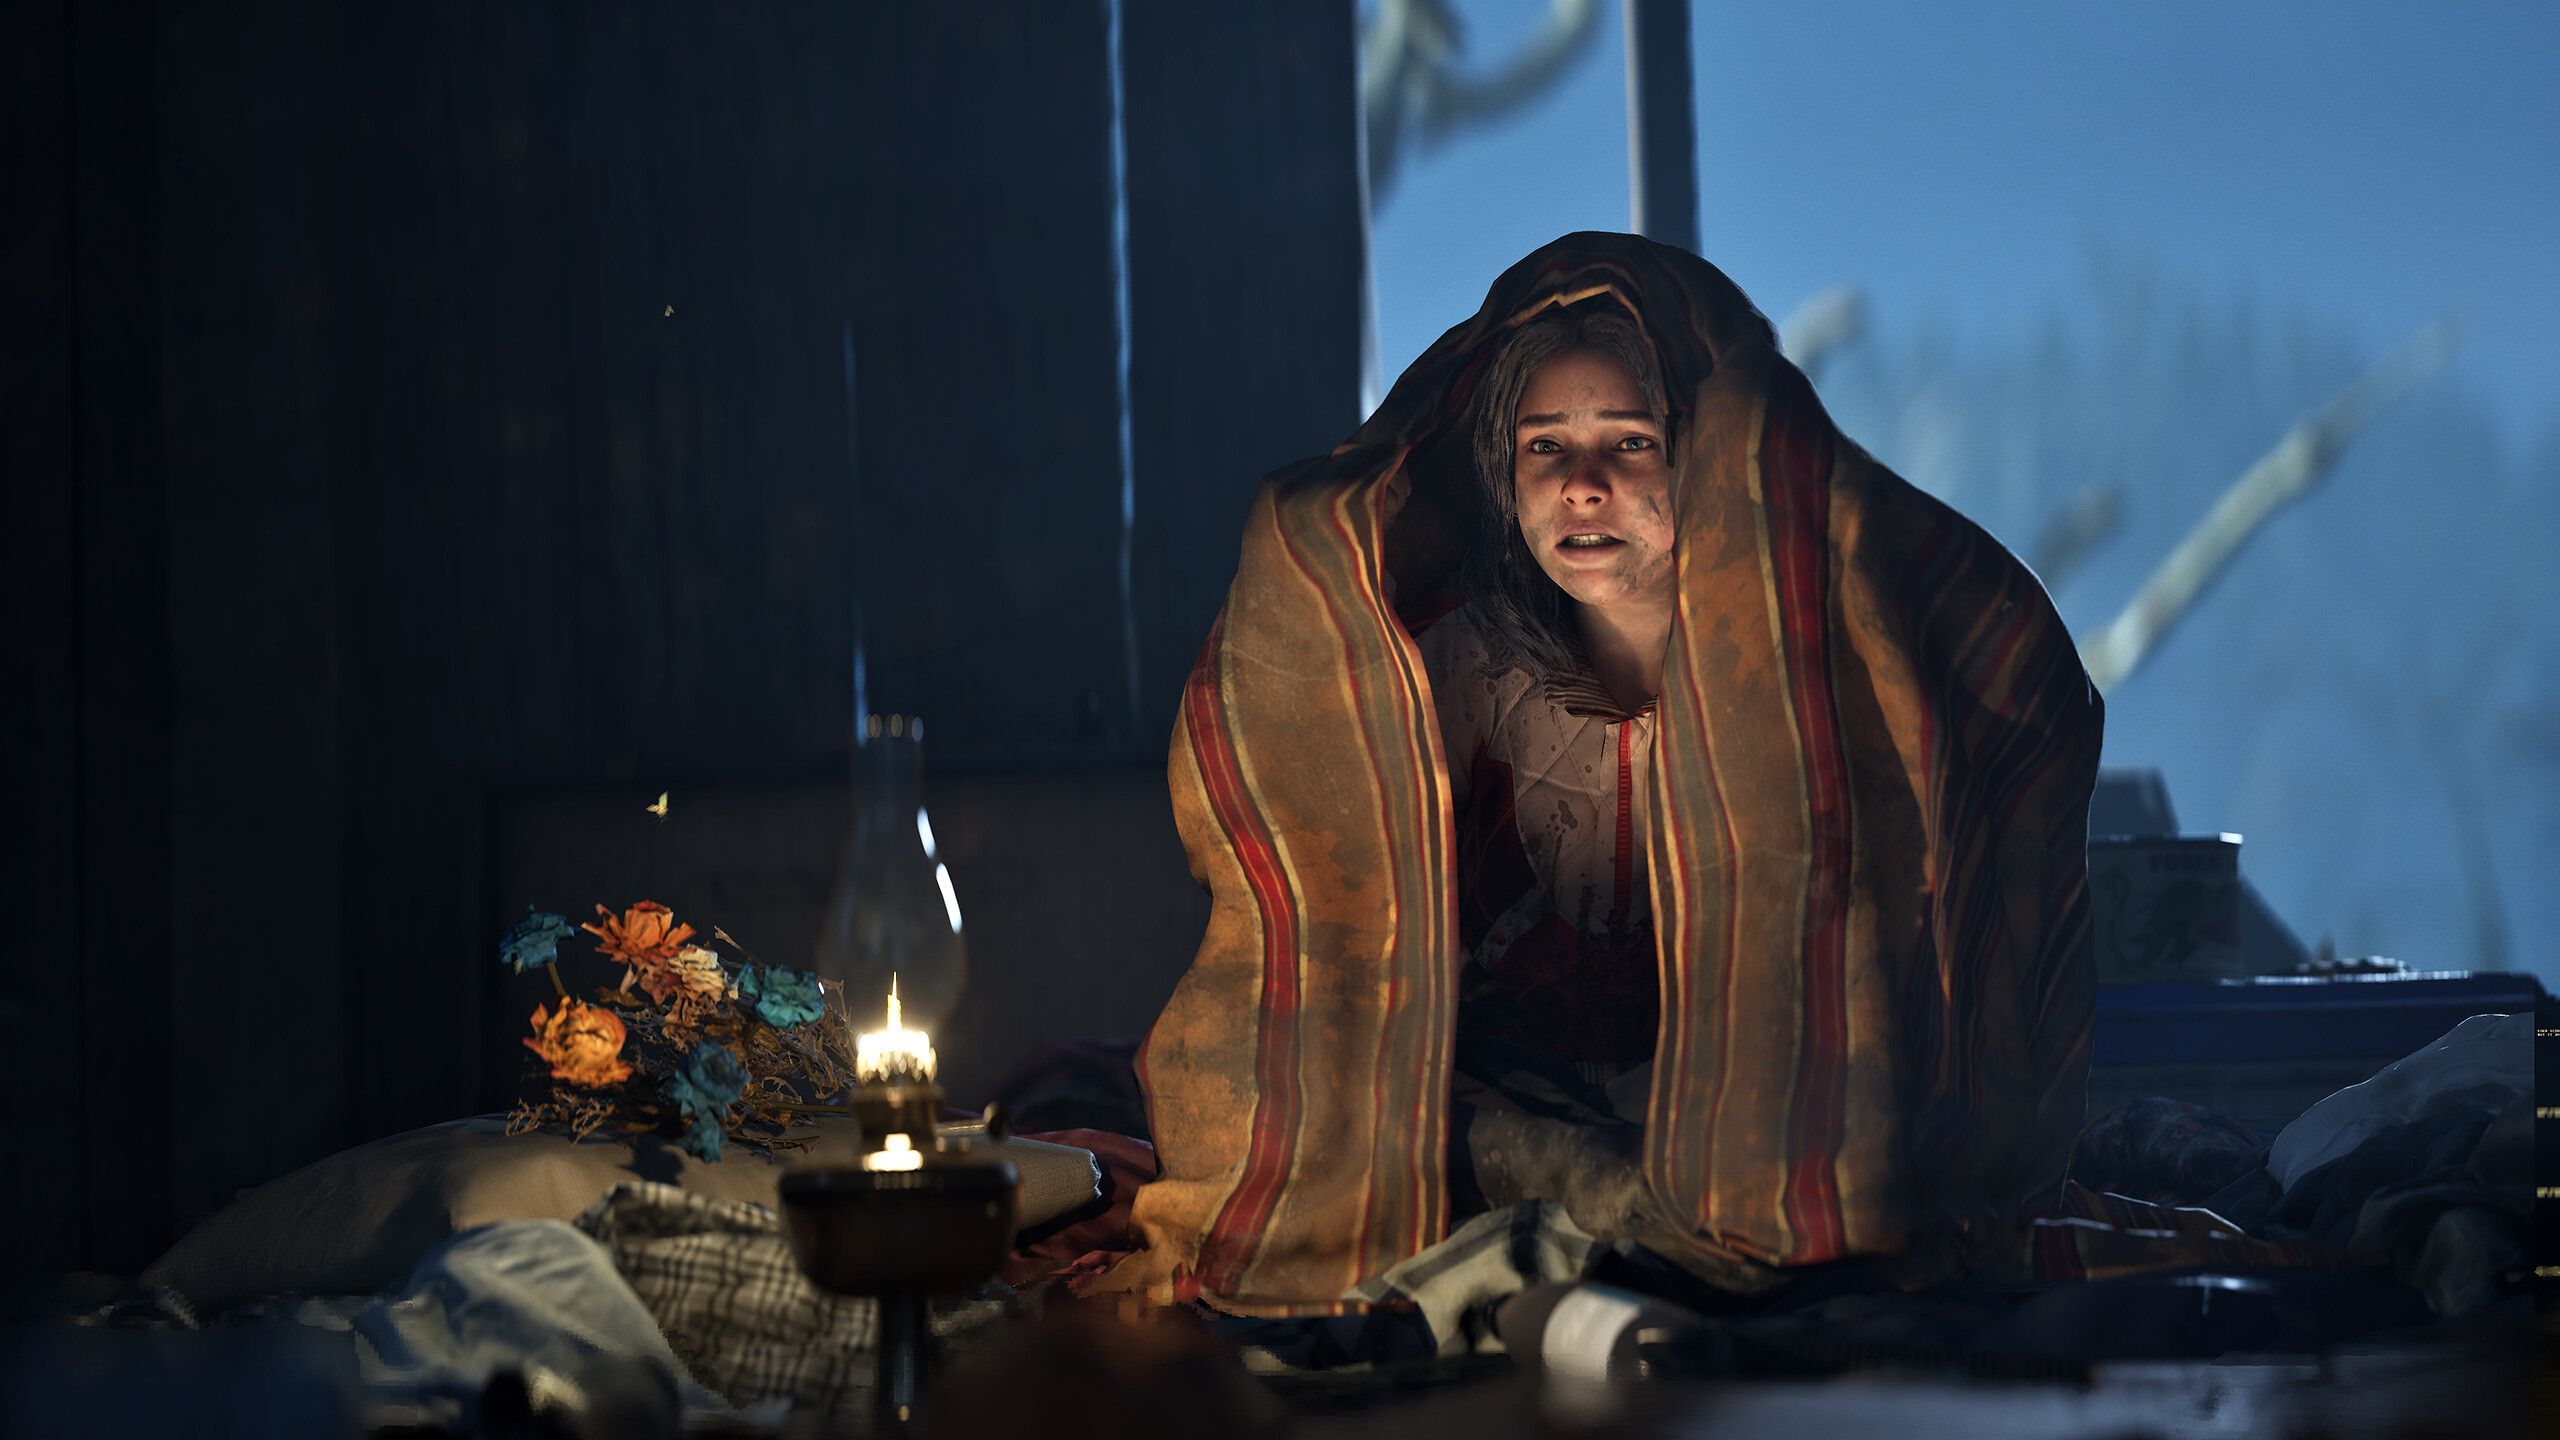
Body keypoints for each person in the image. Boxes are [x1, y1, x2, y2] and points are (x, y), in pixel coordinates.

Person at [1095, 232, 2103, 1312]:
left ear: (1709, 457)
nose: (1581, 488)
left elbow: (2002, 694)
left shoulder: (1823, 681)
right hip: (1506, 1122)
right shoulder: (1455, 673)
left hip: (1760, 1129)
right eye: (1543, 449)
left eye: (1627, 445)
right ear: (1501, 467)